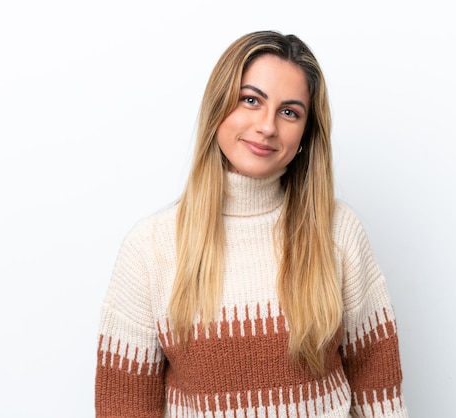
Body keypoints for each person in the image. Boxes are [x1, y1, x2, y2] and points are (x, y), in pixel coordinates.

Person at [94, 30, 408, 418]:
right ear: (218, 106)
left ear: (306, 135)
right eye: (250, 100)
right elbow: (123, 406)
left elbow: (378, 390)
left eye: (289, 112)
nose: (267, 126)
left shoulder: (338, 230)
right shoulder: (151, 247)